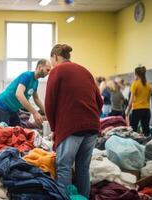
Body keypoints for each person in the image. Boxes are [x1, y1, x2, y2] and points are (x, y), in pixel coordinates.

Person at [45, 44, 103, 198]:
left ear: (56, 57)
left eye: (51, 61)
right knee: (83, 167)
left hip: (71, 127)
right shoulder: (85, 71)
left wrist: (53, 128)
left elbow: (49, 103)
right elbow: (99, 100)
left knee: (63, 166)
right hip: (92, 125)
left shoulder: (56, 71)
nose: (51, 65)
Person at [0, 59, 50, 126]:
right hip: (2, 106)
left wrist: (47, 113)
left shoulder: (36, 82)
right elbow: (19, 94)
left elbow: (36, 99)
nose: (48, 73)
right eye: (47, 70)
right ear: (40, 67)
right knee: (3, 133)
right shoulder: (27, 75)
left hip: (13, 109)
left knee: (19, 132)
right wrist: (34, 113)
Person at [126, 66, 152, 136]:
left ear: (136, 74)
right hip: (146, 110)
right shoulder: (149, 85)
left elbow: (131, 100)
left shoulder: (135, 84)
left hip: (137, 110)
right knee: (146, 132)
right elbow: (148, 100)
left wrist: (127, 112)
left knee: (133, 131)